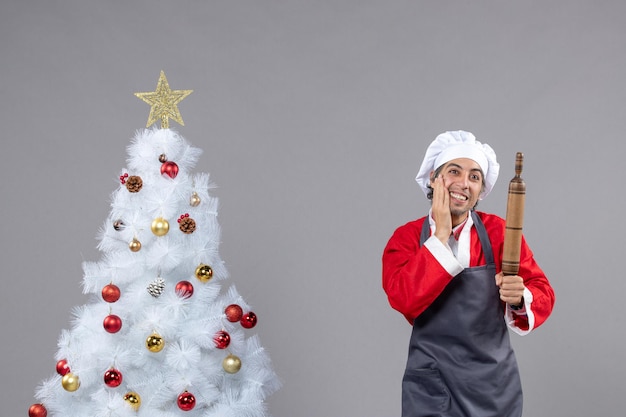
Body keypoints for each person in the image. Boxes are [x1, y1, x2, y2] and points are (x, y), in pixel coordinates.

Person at [382, 130, 555, 417]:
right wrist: (439, 237)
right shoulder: (407, 238)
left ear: (480, 190)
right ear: (434, 179)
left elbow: (542, 291)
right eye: (454, 172)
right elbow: (403, 299)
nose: (464, 183)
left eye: (475, 177)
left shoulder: (500, 232)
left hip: (493, 387)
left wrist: (519, 297)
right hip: (431, 386)